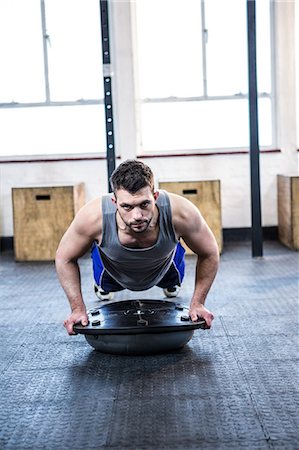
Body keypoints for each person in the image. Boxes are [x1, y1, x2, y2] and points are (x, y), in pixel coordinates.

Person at [55, 159, 219, 335]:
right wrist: (77, 308)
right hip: (112, 271)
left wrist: (198, 303)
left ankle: (170, 282)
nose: (137, 215)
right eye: (126, 206)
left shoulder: (181, 212)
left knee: (176, 243)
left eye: (144, 204)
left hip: (163, 267)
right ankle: (103, 285)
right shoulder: (93, 217)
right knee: (99, 252)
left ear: (155, 197)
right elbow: (64, 257)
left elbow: (209, 252)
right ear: (114, 202)